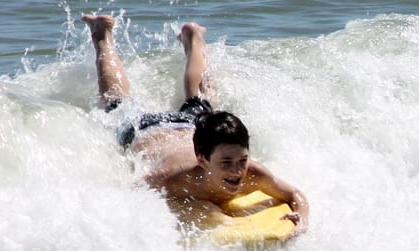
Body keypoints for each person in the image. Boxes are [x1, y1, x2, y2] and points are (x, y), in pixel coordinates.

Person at [82, 14, 309, 235]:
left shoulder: (254, 174)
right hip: (146, 129)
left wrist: (302, 221)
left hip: (190, 125)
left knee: (201, 98)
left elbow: (295, 194)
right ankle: (102, 36)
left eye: (242, 160)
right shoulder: (175, 178)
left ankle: (194, 38)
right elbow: (126, 192)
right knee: (116, 100)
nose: (237, 171)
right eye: (227, 162)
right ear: (202, 160)